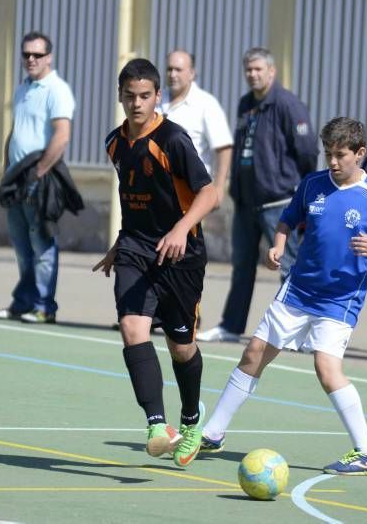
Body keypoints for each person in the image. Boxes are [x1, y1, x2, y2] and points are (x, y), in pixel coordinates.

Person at [199, 117, 367, 475]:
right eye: (328, 154)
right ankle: (212, 434)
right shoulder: (312, 185)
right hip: (298, 290)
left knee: (326, 368)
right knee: (254, 352)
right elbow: (286, 221)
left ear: (360, 153)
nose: (333, 162)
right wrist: (277, 246)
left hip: (340, 299)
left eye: (341, 155)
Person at [93, 58, 217, 467]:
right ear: (120, 96)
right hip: (136, 250)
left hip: (181, 256)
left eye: (145, 96)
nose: (137, 103)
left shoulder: (174, 140)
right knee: (132, 328)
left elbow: (209, 194)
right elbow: (133, 202)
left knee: (181, 347)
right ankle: (157, 425)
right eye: (129, 96)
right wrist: (119, 244)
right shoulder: (115, 143)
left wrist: (181, 229)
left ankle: (191, 420)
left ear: (157, 96)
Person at [197, 47, 319, 343]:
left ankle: (293, 334)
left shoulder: (288, 105)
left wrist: (298, 192)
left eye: (258, 69)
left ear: (271, 71)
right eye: (248, 70)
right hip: (245, 203)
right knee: (241, 268)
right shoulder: (245, 104)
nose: (253, 75)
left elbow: (307, 152)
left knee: (288, 267)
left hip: (279, 203)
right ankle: (231, 326)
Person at [0, 31, 75, 324]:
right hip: (16, 179)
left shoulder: (57, 89)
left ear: (49, 57)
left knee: (42, 246)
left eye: (37, 55)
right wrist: (6, 172)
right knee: (22, 247)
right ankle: (23, 302)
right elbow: (15, 132)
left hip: (39, 179)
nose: (31, 60)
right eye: (26, 54)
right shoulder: (23, 88)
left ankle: (43, 306)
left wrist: (39, 173)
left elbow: (62, 136)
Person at [160, 50, 233, 207]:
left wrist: (219, 189)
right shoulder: (156, 99)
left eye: (178, 70)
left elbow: (224, 148)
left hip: (190, 194)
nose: (172, 74)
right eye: (169, 69)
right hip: (156, 191)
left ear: (192, 73)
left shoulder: (206, 104)